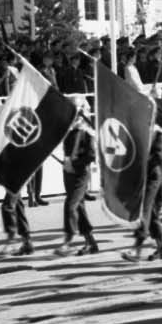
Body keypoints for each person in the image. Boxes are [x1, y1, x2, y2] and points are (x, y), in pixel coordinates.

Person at [55, 95, 100, 256]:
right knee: (79, 208)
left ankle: (68, 241)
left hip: (81, 174)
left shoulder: (87, 132)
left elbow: (91, 156)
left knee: (70, 205)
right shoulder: (69, 130)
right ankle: (91, 242)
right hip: (68, 173)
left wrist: (74, 164)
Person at [122, 117, 162, 262]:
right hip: (142, 175)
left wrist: (141, 160)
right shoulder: (139, 131)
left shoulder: (158, 132)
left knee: (144, 210)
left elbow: (158, 155)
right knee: (152, 213)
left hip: (153, 176)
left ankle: (137, 248)